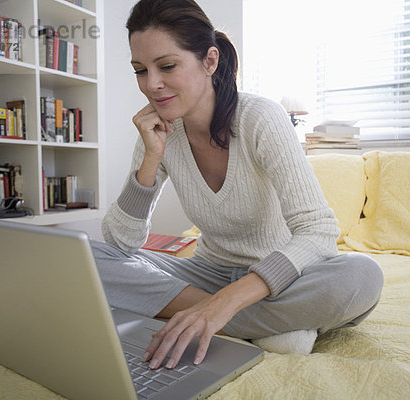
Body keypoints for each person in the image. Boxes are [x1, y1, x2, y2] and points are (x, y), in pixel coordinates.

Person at [92, 0, 383, 371]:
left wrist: (225, 302)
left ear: (209, 61)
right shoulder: (159, 131)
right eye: (140, 70)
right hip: (206, 273)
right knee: (87, 256)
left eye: (167, 66)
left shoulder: (260, 118)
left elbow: (318, 230)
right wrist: (151, 158)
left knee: (361, 276)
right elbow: (121, 244)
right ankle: (250, 323)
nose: (151, 85)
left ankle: (203, 315)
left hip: (280, 277)